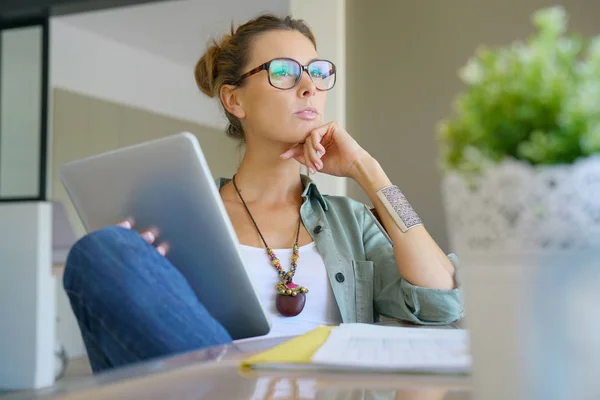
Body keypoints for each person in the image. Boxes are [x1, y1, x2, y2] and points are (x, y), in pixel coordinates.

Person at [63, 13, 463, 374]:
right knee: (104, 249)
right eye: (285, 72)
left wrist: (369, 171)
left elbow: (440, 302)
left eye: (317, 72)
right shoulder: (183, 220)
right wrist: (134, 270)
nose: (309, 86)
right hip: (213, 384)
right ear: (234, 99)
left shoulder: (350, 222)